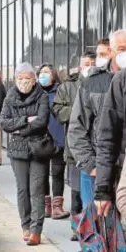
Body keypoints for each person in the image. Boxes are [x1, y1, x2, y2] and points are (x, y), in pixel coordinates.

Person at [0, 62, 50, 246]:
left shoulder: (42, 96)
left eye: (27, 78)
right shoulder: (9, 97)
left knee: (36, 189)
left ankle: (36, 231)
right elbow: (4, 122)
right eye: (20, 79)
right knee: (23, 189)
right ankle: (26, 226)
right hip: (17, 150)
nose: (23, 82)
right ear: (15, 79)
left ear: (34, 80)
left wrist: (19, 129)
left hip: (38, 148)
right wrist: (25, 120)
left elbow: (42, 121)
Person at [67, 36, 118, 209]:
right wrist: (89, 163)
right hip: (96, 167)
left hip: (121, 169)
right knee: (96, 226)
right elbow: (76, 129)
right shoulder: (91, 84)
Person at [52, 58, 94, 240]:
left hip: (98, 147)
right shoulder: (68, 86)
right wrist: (78, 112)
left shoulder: (103, 82)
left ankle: (94, 227)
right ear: (80, 67)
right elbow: (58, 109)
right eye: (85, 64)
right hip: (75, 147)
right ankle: (77, 227)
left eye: (91, 63)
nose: (88, 67)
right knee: (77, 191)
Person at [94, 30, 126, 217]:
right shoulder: (120, 81)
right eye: (121, 49)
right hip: (118, 169)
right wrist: (103, 189)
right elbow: (107, 136)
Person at [37, 63, 70, 220]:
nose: (43, 75)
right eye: (41, 72)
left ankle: (57, 207)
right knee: (42, 174)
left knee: (57, 173)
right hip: (41, 140)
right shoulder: (36, 93)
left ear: (53, 75)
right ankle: (46, 206)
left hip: (58, 139)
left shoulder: (61, 90)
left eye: (47, 72)